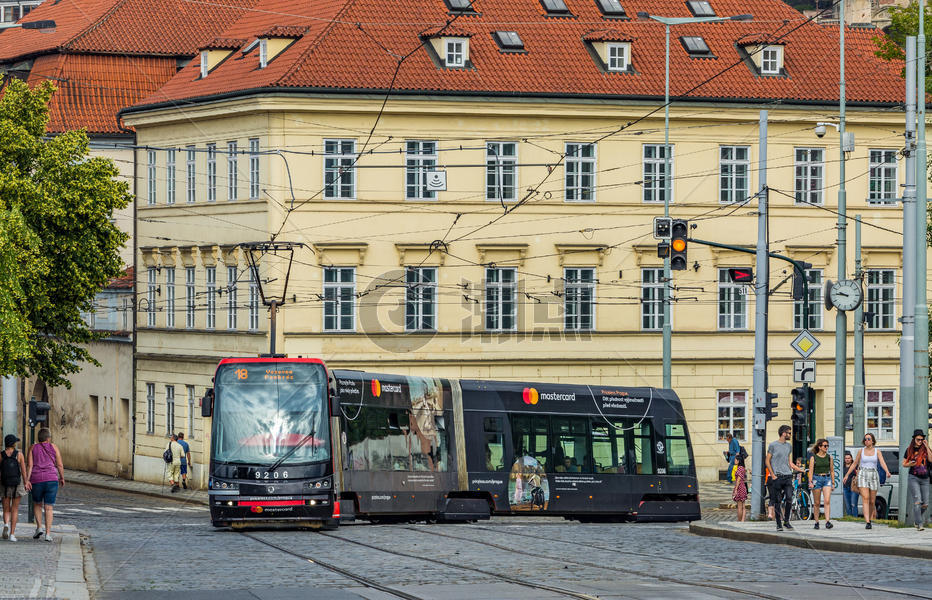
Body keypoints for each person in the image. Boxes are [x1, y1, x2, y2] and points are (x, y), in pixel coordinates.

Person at [844, 432, 891, 529]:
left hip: (873, 474)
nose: (866, 441)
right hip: (863, 474)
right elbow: (854, 463)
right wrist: (847, 475)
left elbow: (882, 462)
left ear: (873, 441)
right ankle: (867, 521)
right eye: (865, 439)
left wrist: (887, 471)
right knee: (865, 498)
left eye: (868, 439)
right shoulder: (861, 451)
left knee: (872, 501)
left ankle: (869, 517)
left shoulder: (877, 451)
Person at [25, 428, 64, 542]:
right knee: (49, 507)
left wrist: (27, 480)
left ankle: (39, 527)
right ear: (48, 438)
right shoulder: (54, 447)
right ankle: (48, 534)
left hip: (36, 479)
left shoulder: (32, 448)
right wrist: (61, 477)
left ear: (39, 438)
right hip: (51, 479)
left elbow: (30, 466)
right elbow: (60, 465)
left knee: (37, 504)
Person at [766, 424, 804, 532]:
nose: (790, 435)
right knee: (777, 501)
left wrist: (799, 469)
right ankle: (779, 524)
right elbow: (767, 460)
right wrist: (772, 474)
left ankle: (786, 521)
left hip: (787, 476)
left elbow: (789, 462)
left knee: (789, 498)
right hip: (777, 477)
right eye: (789, 433)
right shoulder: (773, 445)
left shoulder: (789, 446)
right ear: (783, 433)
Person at [2, 434, 30, 542]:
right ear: (14, 444)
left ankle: (5, 524)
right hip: (17, 484)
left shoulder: (1, 455)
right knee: (15, 509)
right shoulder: (19, 455)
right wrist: (26, 482)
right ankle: (12, 534)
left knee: (6, 508)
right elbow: (23, 471)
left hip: (4, 484)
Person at [902, 429, 932, 530]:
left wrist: (927, 446)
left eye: (921, 439)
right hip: (913, 477)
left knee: (925, 504)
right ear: (914, 439)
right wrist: (910, 464)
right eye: (918, 439)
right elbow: (904, 464)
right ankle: (919, 524)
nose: (920, 441)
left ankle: (917, 519)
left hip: (925, 478)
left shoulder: (925, 449)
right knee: (917, 501)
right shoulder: (909, 449)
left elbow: (931, 460)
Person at [807, 438, 835, 529]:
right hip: (816, 478)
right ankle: (816, 521)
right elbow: (810, 471)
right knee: (817, 503)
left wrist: (833, 483)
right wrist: (810, 482)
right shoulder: (813, 458)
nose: (826, 447)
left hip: (827, 478)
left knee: (827, 501)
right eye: (825, 446)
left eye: (827, 446)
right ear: (819, 447)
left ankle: (827, 521)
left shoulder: (829, 457)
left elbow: (832, 470)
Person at [732, 453, 748, 522]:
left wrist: (735, 489)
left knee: (739, 506)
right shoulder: (743, 468)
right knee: (743, 506)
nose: (734, 460)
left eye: (735, 459)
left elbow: (738, 480)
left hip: (740, 488)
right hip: (743, 487)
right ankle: (743, 520)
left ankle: (739, 521)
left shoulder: (739, 469)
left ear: (738, 461)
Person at [842, 451, 859, 517]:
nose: (847, 459)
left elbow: (858, 475)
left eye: (848, 458)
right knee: (847, 505)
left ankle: (855, 518)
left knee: (853, 504)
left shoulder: (855, 466)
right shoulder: (842, 466)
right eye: (846, 458)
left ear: (851, 458)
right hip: (845, 487)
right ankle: (849, 518)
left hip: (853, 488)